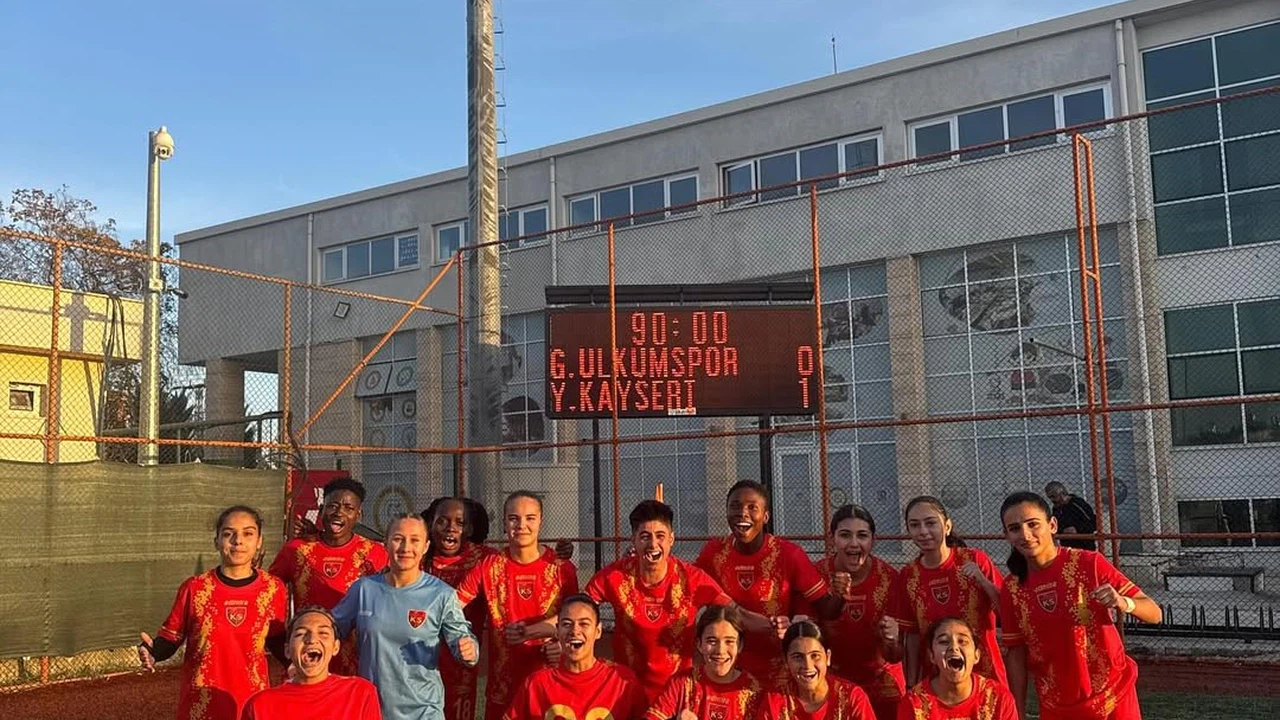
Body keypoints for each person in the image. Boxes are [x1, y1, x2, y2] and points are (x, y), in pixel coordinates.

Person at [999, 492, 1162, 720]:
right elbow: (1016, 652)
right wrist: (1017, 708)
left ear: (1052, 525)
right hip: (1056, 703)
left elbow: (1154, 613)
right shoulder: (1011, 588)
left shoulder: (1089, 564)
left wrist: (1123, 602)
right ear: (1006, 535)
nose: (1025, 535)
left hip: (1112, 697)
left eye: (1033, 524)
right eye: (1015, 528)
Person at [138, 505, 288, 720]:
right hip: (200, 705)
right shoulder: (195, 588)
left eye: (248, 534)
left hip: (250, 705)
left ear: (259, 541)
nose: (238, 541)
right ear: (216, 541)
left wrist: (304, 665)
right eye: (228, 534)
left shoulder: (273, 589)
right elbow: (171, 637)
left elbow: (278, 641)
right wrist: (153, 652)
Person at [585, 500, 743, 701]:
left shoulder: (692, 578)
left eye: (660, 536)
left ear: (671, 539)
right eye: (645, 537)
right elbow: (577, 610)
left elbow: (736, 612)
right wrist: (549, 630)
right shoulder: (614, 576)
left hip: (677, 693)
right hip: (627, 690)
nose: (653, 544)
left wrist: (773, 624)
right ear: (633, 540)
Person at [332, 515, 478, 720]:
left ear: (426, 546)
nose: (406, 547)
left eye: (414, 540)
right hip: (373, 709)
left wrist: (469, 650)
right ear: (386, 543)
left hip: (423, 711)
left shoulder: (441, 595)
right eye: (398, 539)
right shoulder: (364, 589)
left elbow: (463, 640)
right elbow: (331, 628)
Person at [696, 480, 838, 689]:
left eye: (752, 507)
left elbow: (825, 607)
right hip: (728, 667)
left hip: (778, 670)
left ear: (766, 516)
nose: (742, 513)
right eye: (735, 506)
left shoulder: (789, 554)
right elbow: (688, 587)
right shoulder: (713, 552)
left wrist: (799, 620)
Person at [456, 490, 580, 720]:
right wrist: (463, 637)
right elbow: (452, 606)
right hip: (503, 688)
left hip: (551, 685)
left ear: (540, 521)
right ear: (504, 523)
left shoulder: (562, 569)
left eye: (530, 518)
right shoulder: (488, 566)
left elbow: (577, 621)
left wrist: (561, 646)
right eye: (513, 518)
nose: (521, 525)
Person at [270, 477, 389, 675]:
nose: (339, 513)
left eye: (348, 508)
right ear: (321, 509)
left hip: (357, 664)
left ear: (358, 514)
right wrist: (286, 655)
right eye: (332, 506)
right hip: (308, 661)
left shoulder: (375, 553)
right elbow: (268, 592)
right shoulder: (296, 549)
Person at [890, 496, 1005, 688]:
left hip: (985, 675)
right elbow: (912, 635)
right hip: (938, 680)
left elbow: (1008, 613)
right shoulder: (908, 575)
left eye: (930, 523)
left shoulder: (976, 560)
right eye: (915, 525)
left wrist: (983, 581)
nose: (923, 531)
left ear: (947, 526)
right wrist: (911, 681)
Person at [815, 505, 904, 720]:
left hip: (883, 685)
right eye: (845, 535)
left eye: (862, 536)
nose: (854, 543)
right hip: (833, 683)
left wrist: (891, 640)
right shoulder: (816, 575)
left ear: (873, 540)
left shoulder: (890, 578)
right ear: (832, 539)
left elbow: (896, 655)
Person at [504, 594, 648, 720]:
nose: (574, 631)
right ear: (557, 631)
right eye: (567, 624)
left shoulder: (623, 682)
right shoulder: (536, 684)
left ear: (598, 631)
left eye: (584, 624)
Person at [421, 497, 495, 720]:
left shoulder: (484, 559)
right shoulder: (418, 556)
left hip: (462, 659)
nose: (450, 528)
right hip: (420, 658)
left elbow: (519, 560)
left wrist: (559, 555)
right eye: (442, 521)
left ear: (470, 528)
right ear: (430, 524)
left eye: (460, 523)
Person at [240, 607, 381, 719]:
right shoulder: (260, 706)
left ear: (335, 647)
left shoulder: (360, 694)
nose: (312, 640)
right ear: (287, 650)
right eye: (301, 634)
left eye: (323, 633)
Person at [645, 604, 764, 720]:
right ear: (699, 644)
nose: (720, 650)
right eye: (712, 641)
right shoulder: (682, 683)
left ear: (740, 645)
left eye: (729, 641)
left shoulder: (754, 691)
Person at [896, 618, 1017, 720]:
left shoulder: (999, 698)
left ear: (976, 655)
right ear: (932, 656)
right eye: (944, 641)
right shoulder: (914, 703)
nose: (954, 647)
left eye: (962, 641)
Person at [760, 620, 876, 719]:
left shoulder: (852, 698)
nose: (807, 665)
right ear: (786, 661)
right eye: (798, 657)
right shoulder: (776, 702)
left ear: (828, 657)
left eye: (815, 656)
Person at [1044, 482, 1098, 551]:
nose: (1052, 500)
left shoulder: (1077, 504)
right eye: (1050, 497)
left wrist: (1077, 529)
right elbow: (1057, 526)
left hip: (1084, 545)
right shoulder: (1057, 508)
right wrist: (1062, 531)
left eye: (1054, 496)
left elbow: (1093, 522)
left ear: (1062, 493)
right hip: (1068, 547)